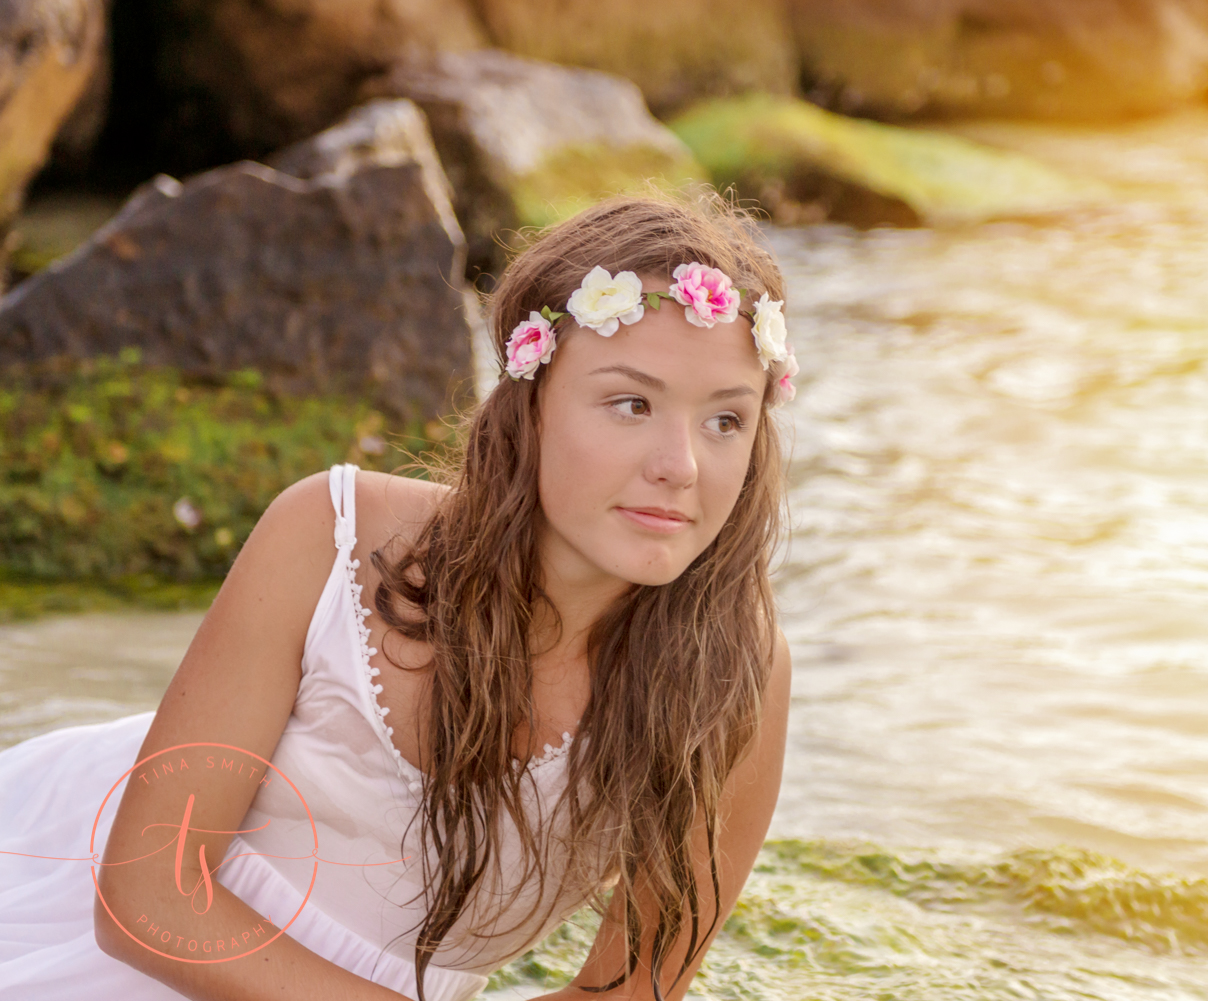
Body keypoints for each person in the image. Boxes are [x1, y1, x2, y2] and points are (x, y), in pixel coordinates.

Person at [0, 192, 799, 1001]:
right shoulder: (333, 533)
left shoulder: (736, 674)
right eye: (632, 403)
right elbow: (146, 896)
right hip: (130, 934)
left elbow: (628, 993)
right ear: (531, 405)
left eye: (725, 420)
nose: (683, 465)